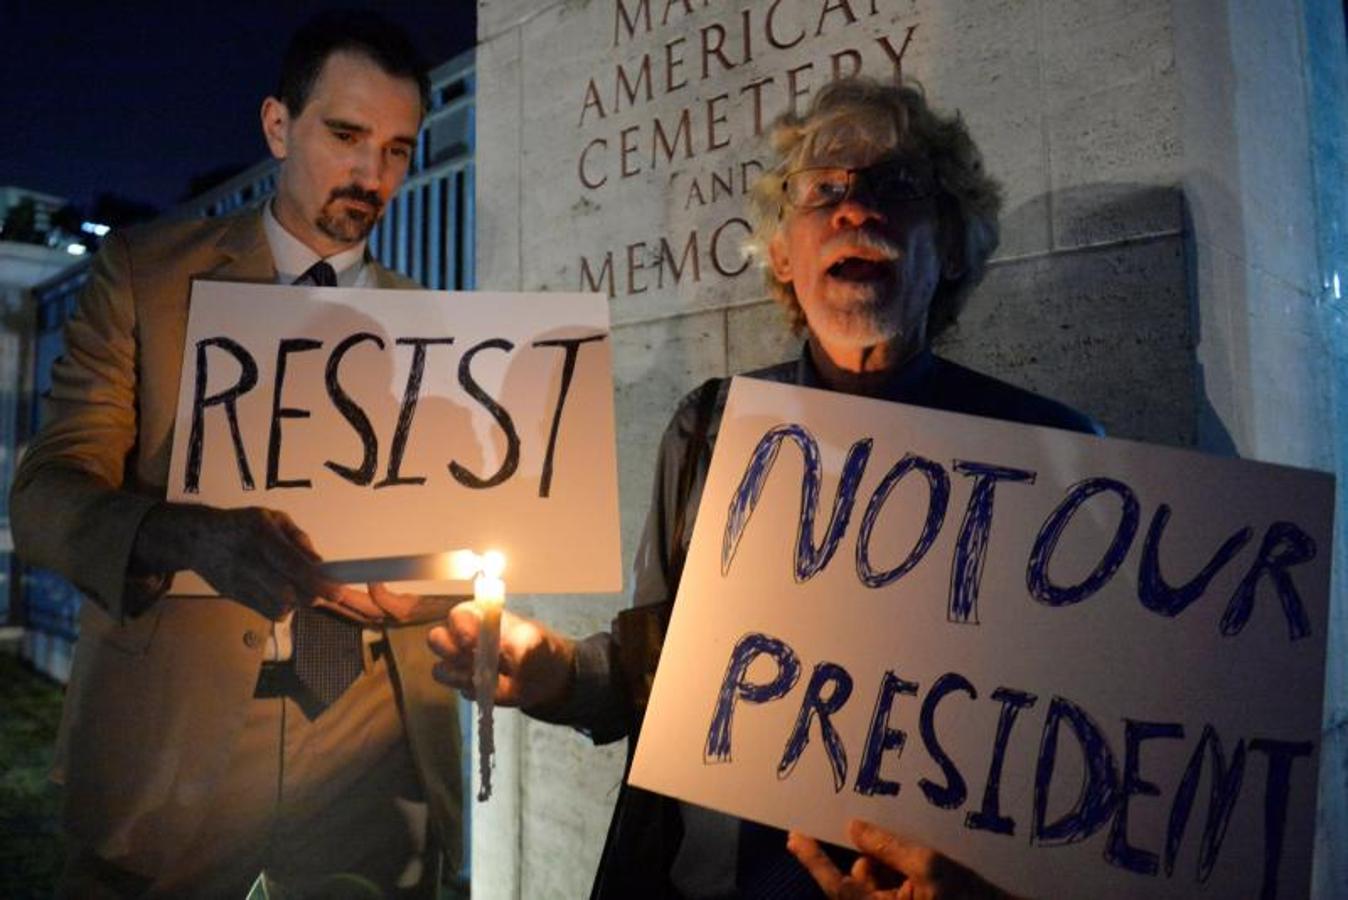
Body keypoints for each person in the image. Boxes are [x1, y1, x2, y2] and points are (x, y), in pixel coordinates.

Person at [429, 77, 1098, 898]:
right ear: (783, 253)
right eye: (824, 192)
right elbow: (664, 669)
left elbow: (1073, 780)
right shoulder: (710, 429)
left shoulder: (1058, 464)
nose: (856, 210)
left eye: (895, 186)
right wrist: (557, 673)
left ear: (953, 244)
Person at [11, 11, 463, 898]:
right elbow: (44, 496)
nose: (373, 175)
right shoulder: (147, 275)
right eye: (346, 136)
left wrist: (429, 587)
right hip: (176, 736)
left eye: (400, 150)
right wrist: (187, 537)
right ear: (276, 126)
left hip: (375, 733)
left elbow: (465, 526)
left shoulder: (432, 318)